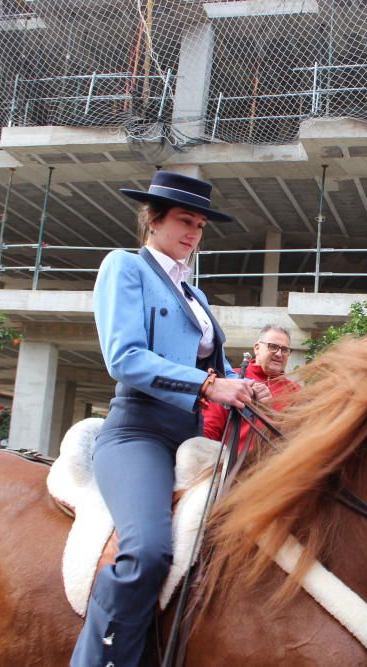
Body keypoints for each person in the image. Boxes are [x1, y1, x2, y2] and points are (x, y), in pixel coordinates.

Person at [72, 170, 272, 667]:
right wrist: (209, 386)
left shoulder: (196, 295)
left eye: (201, 226)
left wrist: (242, 383)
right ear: (153, 219)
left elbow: (214, 367)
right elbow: (123, 357)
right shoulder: (125, 268)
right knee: (148, 552)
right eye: (185, 221)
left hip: (190, 438)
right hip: (138, 432)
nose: (193, 233)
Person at [202, 325, 300, 449]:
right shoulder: (232, 379)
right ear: (257, 348)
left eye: (285, 350)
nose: (279, 354)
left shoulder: (296, 391)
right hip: (232, 465)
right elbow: (209, 429)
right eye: (273, 347)